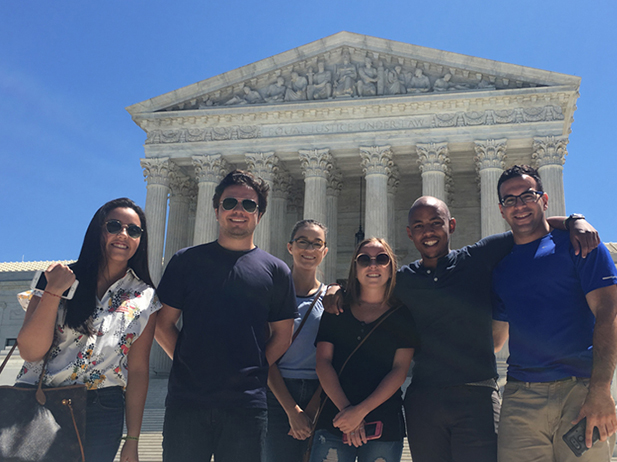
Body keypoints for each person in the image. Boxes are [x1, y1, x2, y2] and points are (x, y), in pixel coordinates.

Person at [325, 196, 598, 462]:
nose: (428, 232)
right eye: (419, 226)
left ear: (451, 225)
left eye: (435, 222)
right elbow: (368, 287)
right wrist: (336, 289)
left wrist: (574, 220)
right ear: (409, 233)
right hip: (425, 399)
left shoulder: (476, 258)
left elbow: (530, 226)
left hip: (476, 395)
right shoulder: (402, 280)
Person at [155, 169, 297, 462]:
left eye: (249, 205)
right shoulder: (186, 261)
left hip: (246, 406)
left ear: (259, 214)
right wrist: (186, 362)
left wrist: (254, 368)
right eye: (230, 203)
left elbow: (283, 335)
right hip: (187, 402)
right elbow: (161, 324)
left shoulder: (277, 271)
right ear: (217, 209)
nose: (238, 211)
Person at [15, 197, 161, 462]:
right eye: (114, 226)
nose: (123, 235)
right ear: (98, 230)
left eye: (134, 230)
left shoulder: (145, 297)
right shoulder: (57, 276)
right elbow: (30, 350)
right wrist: (54, 292)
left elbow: (138, 370)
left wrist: (133, 439)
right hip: (41, 399)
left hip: (103, 409)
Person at [492, 165, 617, 462]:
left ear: (545, 200)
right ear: (501, 210)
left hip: (579, 393)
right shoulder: (501, 268)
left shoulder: (582, 246)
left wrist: (601, 389)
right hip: (521, 397)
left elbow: (608, 314)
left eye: (527, 196)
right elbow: (496, 338)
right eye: (510, 200)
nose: (519, 205)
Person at [310, 238, 419, 462]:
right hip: (335, 416)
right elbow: (323, 363)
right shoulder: (336, 309)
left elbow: (399, 370)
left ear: (391, 268)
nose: (373, 265)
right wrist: (347, 412)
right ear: (355, 267)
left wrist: (359, 413)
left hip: (383, 420)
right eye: (364, 259)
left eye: (382, 259)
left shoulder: (403, 315)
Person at [264, 219, 329, 462]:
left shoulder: (332, 299)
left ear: (325, 251)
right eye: (303, 242)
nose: (309, 249)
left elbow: (336, 357)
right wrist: (293, 411)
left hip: (320, 392)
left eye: (316, 244)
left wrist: (311, 409)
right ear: (290, 247)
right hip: (276, 394)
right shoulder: (270, 296)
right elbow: (264, 355)